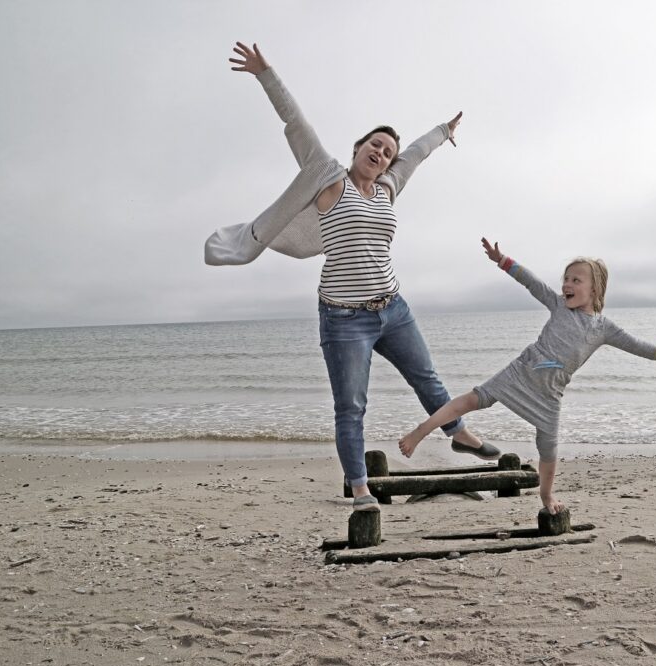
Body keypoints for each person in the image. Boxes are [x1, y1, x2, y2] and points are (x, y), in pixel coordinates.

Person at [205, 42, 499, 512]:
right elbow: (296, 125)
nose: (381, 154)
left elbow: (417, 155)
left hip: (393, 309)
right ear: (357, 148)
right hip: (344, 319)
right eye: (373, 146)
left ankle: (458, 432)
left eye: (387, 152)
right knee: (351, 408)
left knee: (427, 380)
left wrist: (444, 131)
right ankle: (361, 489)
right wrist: (266, 74)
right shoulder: (327, 178)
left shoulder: (387, 188)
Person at [399, 238, 656, 514]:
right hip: (520, 373)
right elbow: (531, 283)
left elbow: (637, 346)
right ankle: (420, 432)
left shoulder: (604, 329)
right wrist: (503, 260)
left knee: (548, 447)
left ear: (595, 289)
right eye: (566, 278)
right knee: (471, 400)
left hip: (550, 394)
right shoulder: (559, 305)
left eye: (576, 280)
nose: (567, 284)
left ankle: (546, 494)